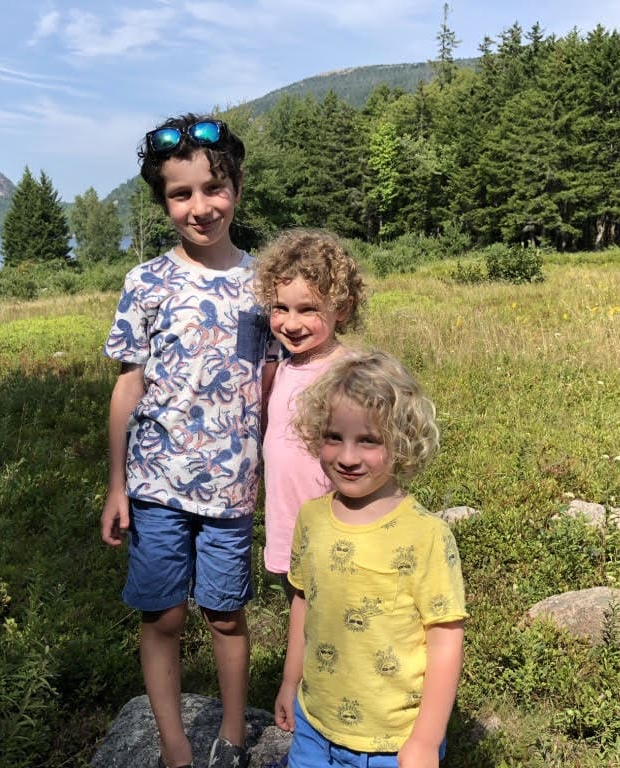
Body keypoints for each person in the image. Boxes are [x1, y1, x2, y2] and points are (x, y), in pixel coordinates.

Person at [101, 114, 275, 768]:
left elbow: (275, 382)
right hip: (154, 487)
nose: (200, 207)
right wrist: (117, 485)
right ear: (163, 200)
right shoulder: (144, 282)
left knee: (226, 616)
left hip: (233, 488)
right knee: (163, 617)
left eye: (213, 188)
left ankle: (232, 737)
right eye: (181, 194)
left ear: (236, 186)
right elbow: (127, 387)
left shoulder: (265, 283)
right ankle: (174, 748)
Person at [274, 350, 467, 768]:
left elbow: (446, 639)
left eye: (368, 440)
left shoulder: (426, 535)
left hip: (391, 743)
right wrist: (291, 681)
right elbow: (303, 603)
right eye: (333, 437)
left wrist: (425, 740)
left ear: (401, 442)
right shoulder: (312, 518)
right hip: (314, 725)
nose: (346, 457)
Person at [254, 229, 365, 600]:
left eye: (308, 309)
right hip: (289, 527)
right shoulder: (283, 368)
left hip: (337, 531)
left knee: (343, 622)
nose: (291, 323)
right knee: (302, 614)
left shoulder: (348, 373)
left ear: (342, 309)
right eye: (280, 308)